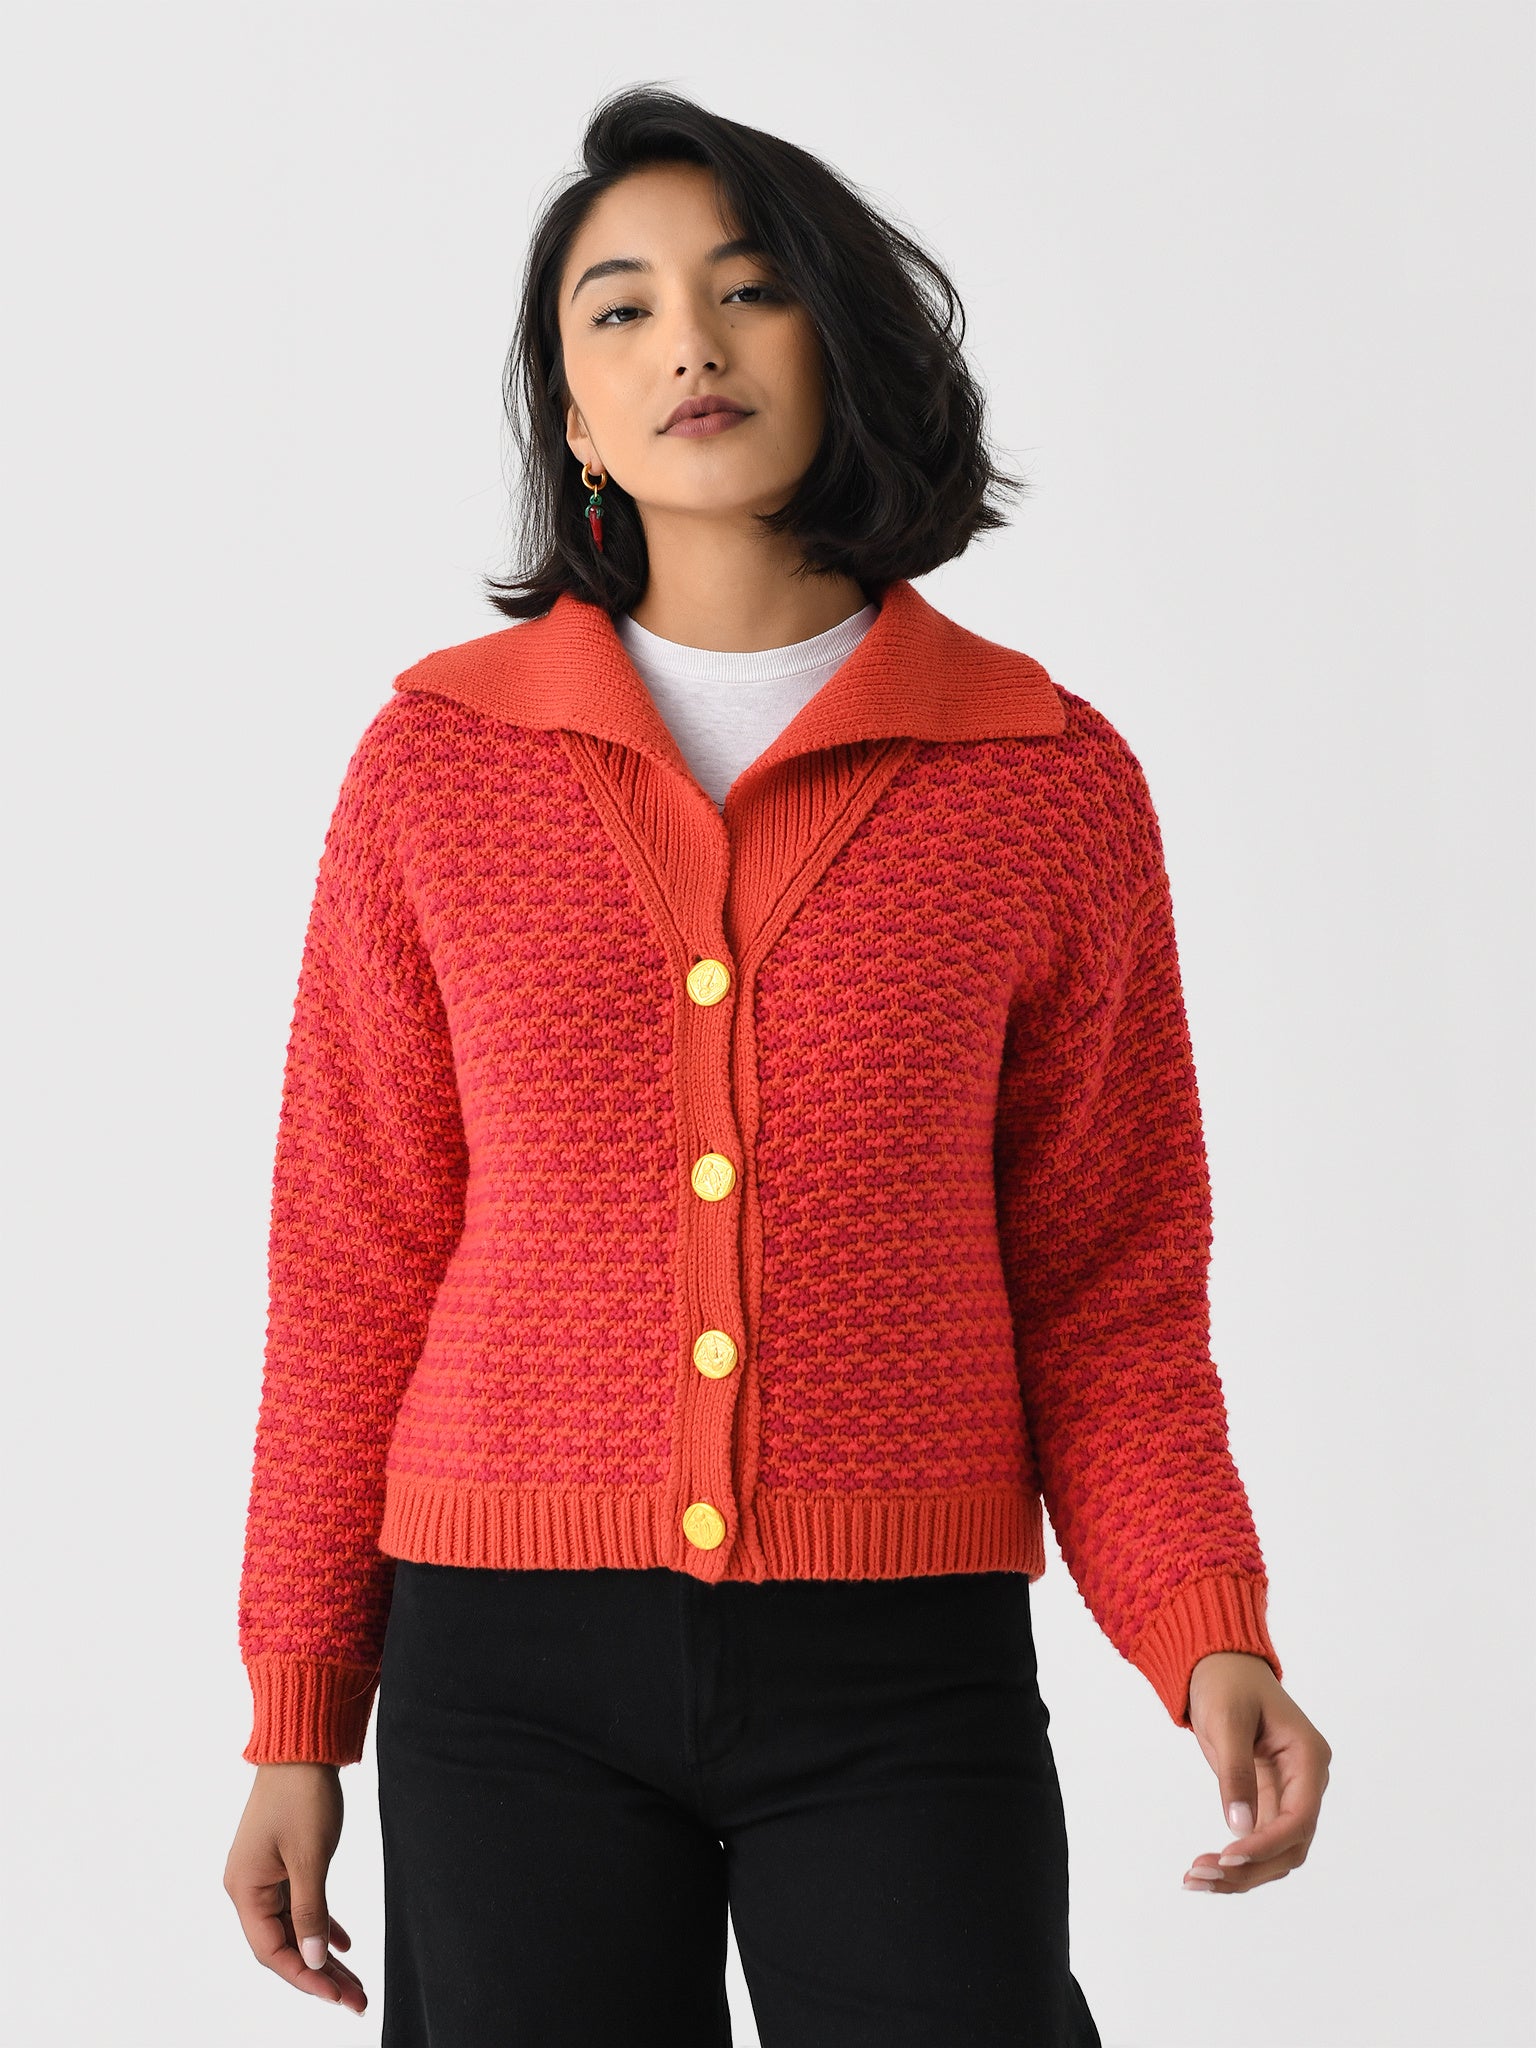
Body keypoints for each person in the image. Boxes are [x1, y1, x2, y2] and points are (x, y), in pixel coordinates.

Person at [222, 84, 1331, 2044]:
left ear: (844, 344)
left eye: (748, 291)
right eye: (621, 309)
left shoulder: (1045, 779)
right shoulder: (436, 768)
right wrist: (301, 1713)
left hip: (903, 1665)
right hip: (503, 1668)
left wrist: (1202, 1623)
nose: (690, 346)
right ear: (574, 415)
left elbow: (1109, 1284)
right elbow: (351, 1264)